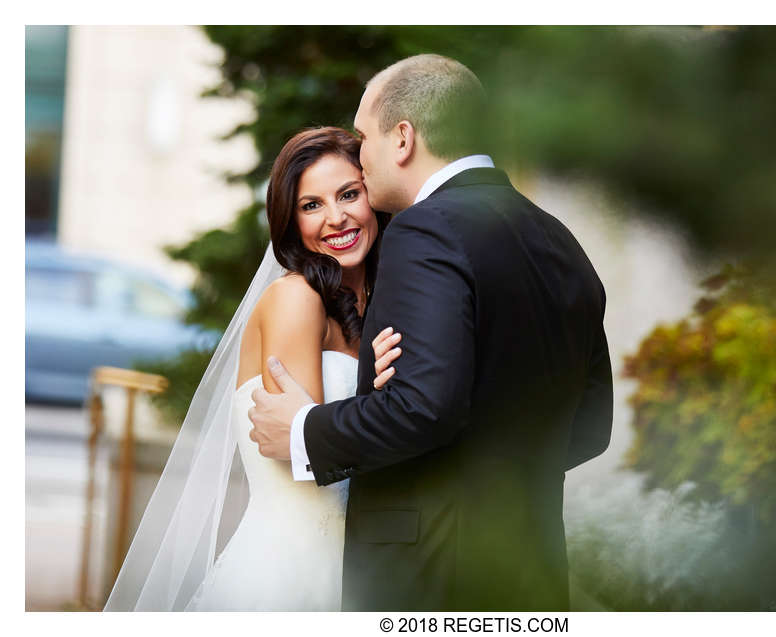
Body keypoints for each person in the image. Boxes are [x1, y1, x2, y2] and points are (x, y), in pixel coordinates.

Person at [249, 54, 614, 611]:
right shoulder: (556, 238)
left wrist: (305, 432)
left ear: (402, 139)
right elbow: (592, 425)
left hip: (428, 580)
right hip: (530, 576)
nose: (362, 158)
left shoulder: (426, 229)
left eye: (363, 137)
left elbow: (426, 407)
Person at [104, 126, 392, 611]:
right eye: (311, 205)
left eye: (349, 194)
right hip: (285, 576)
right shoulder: (295, 298)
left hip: (351, 574)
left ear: (373, 196)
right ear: (290, 221)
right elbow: (305, 455)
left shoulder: (378, 308)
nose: (336, 217)